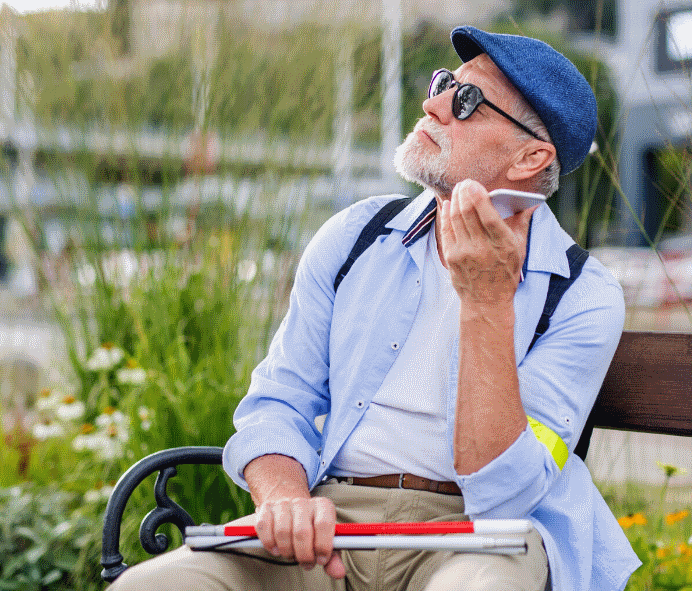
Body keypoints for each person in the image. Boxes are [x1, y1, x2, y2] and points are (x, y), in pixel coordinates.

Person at [110, 25, 641, 591]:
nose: (432, 104)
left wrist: (486, 302)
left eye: (466, 101)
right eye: (444, 83)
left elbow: (504, 494)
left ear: (529, 158)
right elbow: (277, 402)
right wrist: (286, 499)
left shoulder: (582, 294)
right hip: (330, 522)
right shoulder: (355, 235)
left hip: (480, 536)